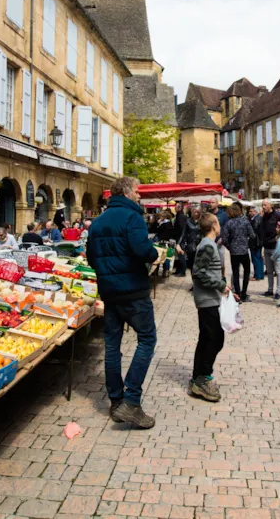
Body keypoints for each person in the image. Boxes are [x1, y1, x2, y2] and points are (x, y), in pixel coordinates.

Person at [86, 177, 160, 429]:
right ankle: (131, 400)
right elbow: (142, 250)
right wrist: (154, 255)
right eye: (138, 191)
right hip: (133, 291)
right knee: (147, 338)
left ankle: (116, 401)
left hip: (109, 291)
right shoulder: (132, 218)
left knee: (112, 346)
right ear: (127, 192)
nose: (140, 196)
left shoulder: (98, 221)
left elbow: (91, 257)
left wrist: (107, 274)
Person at [190, 212, 229, 402]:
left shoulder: (209, 244)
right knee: (215, 339)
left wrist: (223, 285)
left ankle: (198, 377)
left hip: (211, 298)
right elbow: (198, 273)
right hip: (207, 300)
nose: (220, 225)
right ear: (213, 225)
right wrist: (220, 284)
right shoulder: (207, 245)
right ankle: (203, 378)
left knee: (206, 338)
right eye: (218, 222)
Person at [222, 203, 256, 302]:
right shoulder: (245, 221)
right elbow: (253, 235)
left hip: (234, 252)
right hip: (244, 251)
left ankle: (237, 294)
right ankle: (244, 293)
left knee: (236, 273)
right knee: (246, 272)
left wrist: (230, 247)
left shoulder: (229, 223)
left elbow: (224, 238)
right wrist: (246, 242)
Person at [260, 200, 280, 299]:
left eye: (265, 205)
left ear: (271, 205)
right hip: (266, 246)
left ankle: (278, 291)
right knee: (269, 270)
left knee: (278, 271)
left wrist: (279, 237)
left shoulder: (277, 215)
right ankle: (270, 290)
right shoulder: (264, 216)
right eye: (262, 205)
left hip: (275, 246)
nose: (263, 206)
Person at [176, 207, 202, 283]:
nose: (196, 213)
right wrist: (178, 243)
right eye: (194, 212)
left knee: (199, 266)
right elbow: (183, 233)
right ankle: (194, 284)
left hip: (200, 246)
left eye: (197, 212)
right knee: (192, 266)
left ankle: (199, 284)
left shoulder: (202, 221)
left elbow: (204, 233)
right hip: (190, 246)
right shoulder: (188, 221)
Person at [248, 205, 265, 280]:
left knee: (255, 259)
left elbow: (253, 231)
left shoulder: (255, 219)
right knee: (259, 258)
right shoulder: (260, 218)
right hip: (259, 241)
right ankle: (260, 274)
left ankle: (257, 275)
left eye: (251, 211)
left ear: (255, 212)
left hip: (255, 242)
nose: (250, 213)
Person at [172, 203, 188, 277]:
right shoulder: (178, 215)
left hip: (180, 239)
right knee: (178, 256)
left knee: (181, 255)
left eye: (176, 207)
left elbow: (182, 230)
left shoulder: (181, 216)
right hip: (178, 238)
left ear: (180, 208)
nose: (175, 208)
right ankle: (178, 270)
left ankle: (182, 271)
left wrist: (179, 241)